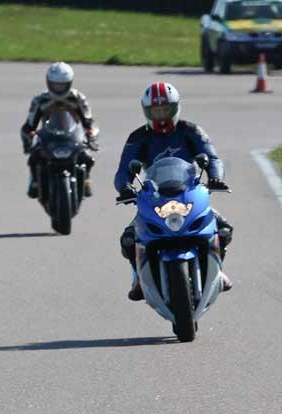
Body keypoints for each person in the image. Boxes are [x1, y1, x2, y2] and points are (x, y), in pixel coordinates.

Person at [114, 81, 234, 301]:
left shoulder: (191, 131)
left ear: (176, 107)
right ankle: (140, 278)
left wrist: (216, 177)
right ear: (146, 111)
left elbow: (213, 157)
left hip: (189, 192)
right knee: (129, 239)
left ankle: (218, 271)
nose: (160, 116)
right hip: (155, 196)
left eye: (165, 109)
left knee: (224, 228)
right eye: (155, 111)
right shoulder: (138, 137)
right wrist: (125, 187)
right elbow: (123, 169)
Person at [20, 61, 98, 199]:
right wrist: (28, 139)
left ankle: (86, 180)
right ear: (49, 83)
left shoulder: (79, 98)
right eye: (55, 85)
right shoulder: (40, 100)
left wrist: (90, 134)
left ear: (69, 83)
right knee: (34, 158)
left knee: (88, 159)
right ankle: (35, 182)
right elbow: (29, 125)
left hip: (72, 137)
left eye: (62, 85)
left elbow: (89, 121)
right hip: (48, 137)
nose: (59, 88)